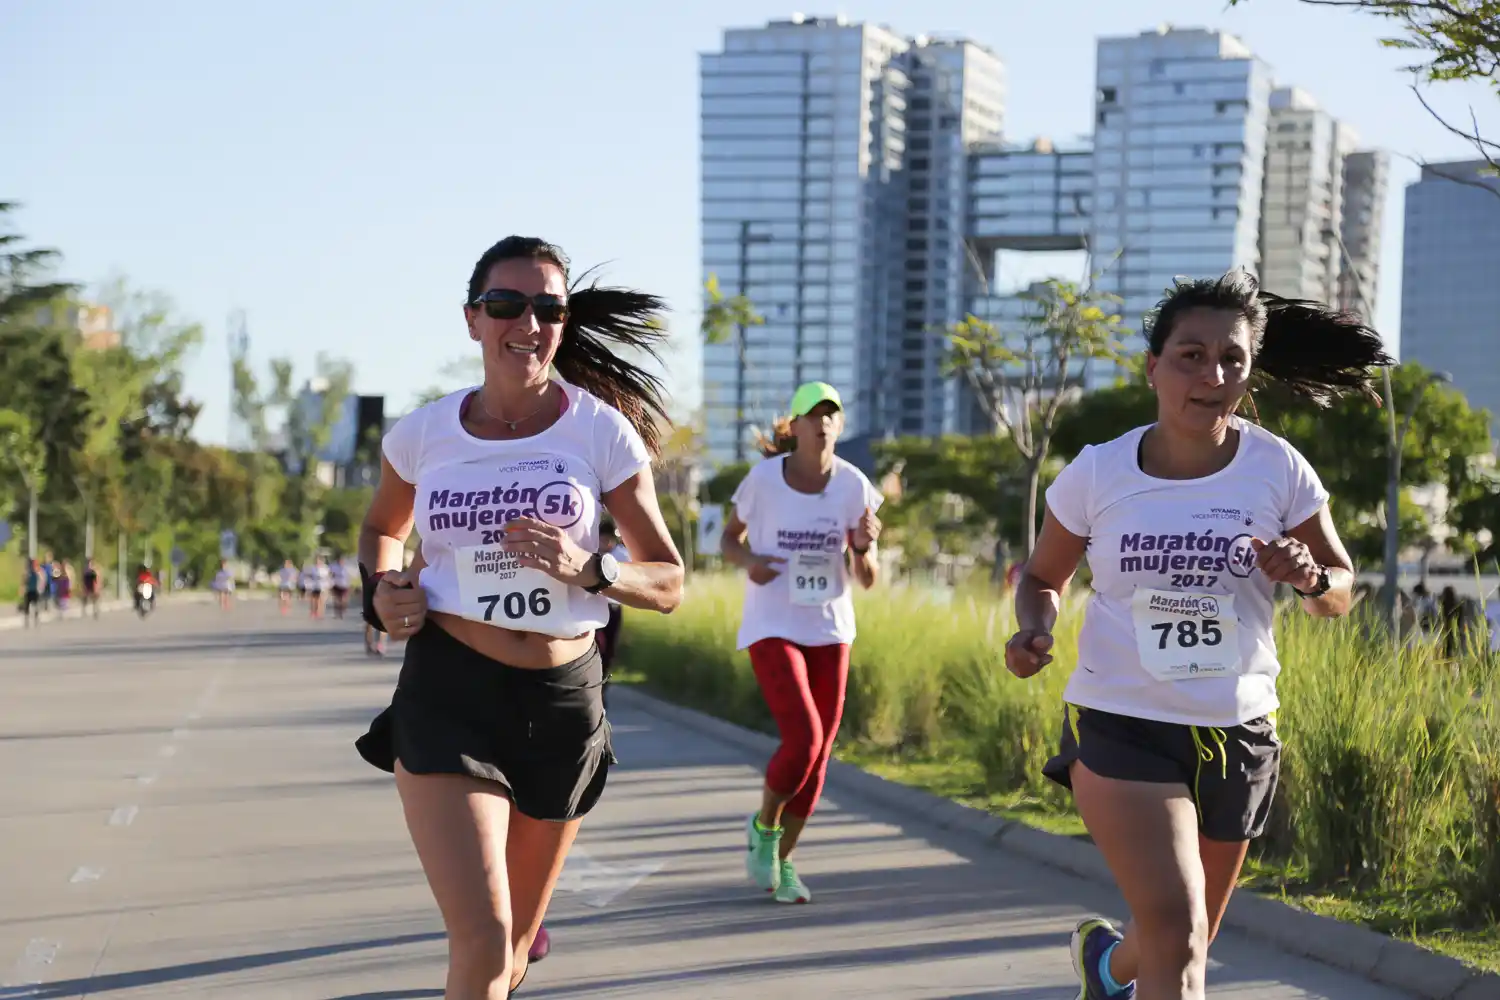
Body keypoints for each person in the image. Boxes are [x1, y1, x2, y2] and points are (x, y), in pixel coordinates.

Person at [1005, 271, 1389, 1000]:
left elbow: (1339, 591)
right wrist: (1034, 631)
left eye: (1233, 359)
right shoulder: (1099, 472)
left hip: (1238, 728)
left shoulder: (1277, 467)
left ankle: (1104, 967)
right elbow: (1042, 577)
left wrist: (1311, 578)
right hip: (1123, 723)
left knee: (1176, 938)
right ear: (1153, 367)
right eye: (1190, 355)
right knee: (1182, 944)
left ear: (1249, 372)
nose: (1212, 375)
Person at [354, 235, 683, 998]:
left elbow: (667, 581)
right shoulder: (424, 434)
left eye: (547, 308)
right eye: (506, 305)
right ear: (473, 319)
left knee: (506, 958)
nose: (527, 324)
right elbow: (381, 530)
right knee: (480, 939)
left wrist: (591, 568)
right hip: (449, 694)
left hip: (562, 706)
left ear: (563, 324)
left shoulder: (599, 430)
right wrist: (383, 587)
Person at [721, 381, 884, 905]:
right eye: (812, 415)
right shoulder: (764, 481)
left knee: (819, 757)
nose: (823, 423)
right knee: (804, 739)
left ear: (838, 426)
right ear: (793, 427)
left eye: (831, 415)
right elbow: (728, 538)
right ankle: (764, 827)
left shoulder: (856, 487)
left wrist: (864, 546)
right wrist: (751, 564)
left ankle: (784, 861)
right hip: (773, 622)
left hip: (830, 627)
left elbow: (868, 577)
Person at [20, 558, 42, 627]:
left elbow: (41, 579)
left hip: (35, 590)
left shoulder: (37, 571)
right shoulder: (27, 572)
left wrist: (40, 588)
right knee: (27, 606)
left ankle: (35, 620)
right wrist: (22, 589)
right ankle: (27, 621)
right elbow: (24, 582)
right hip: (29, 591)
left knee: (36, 606)